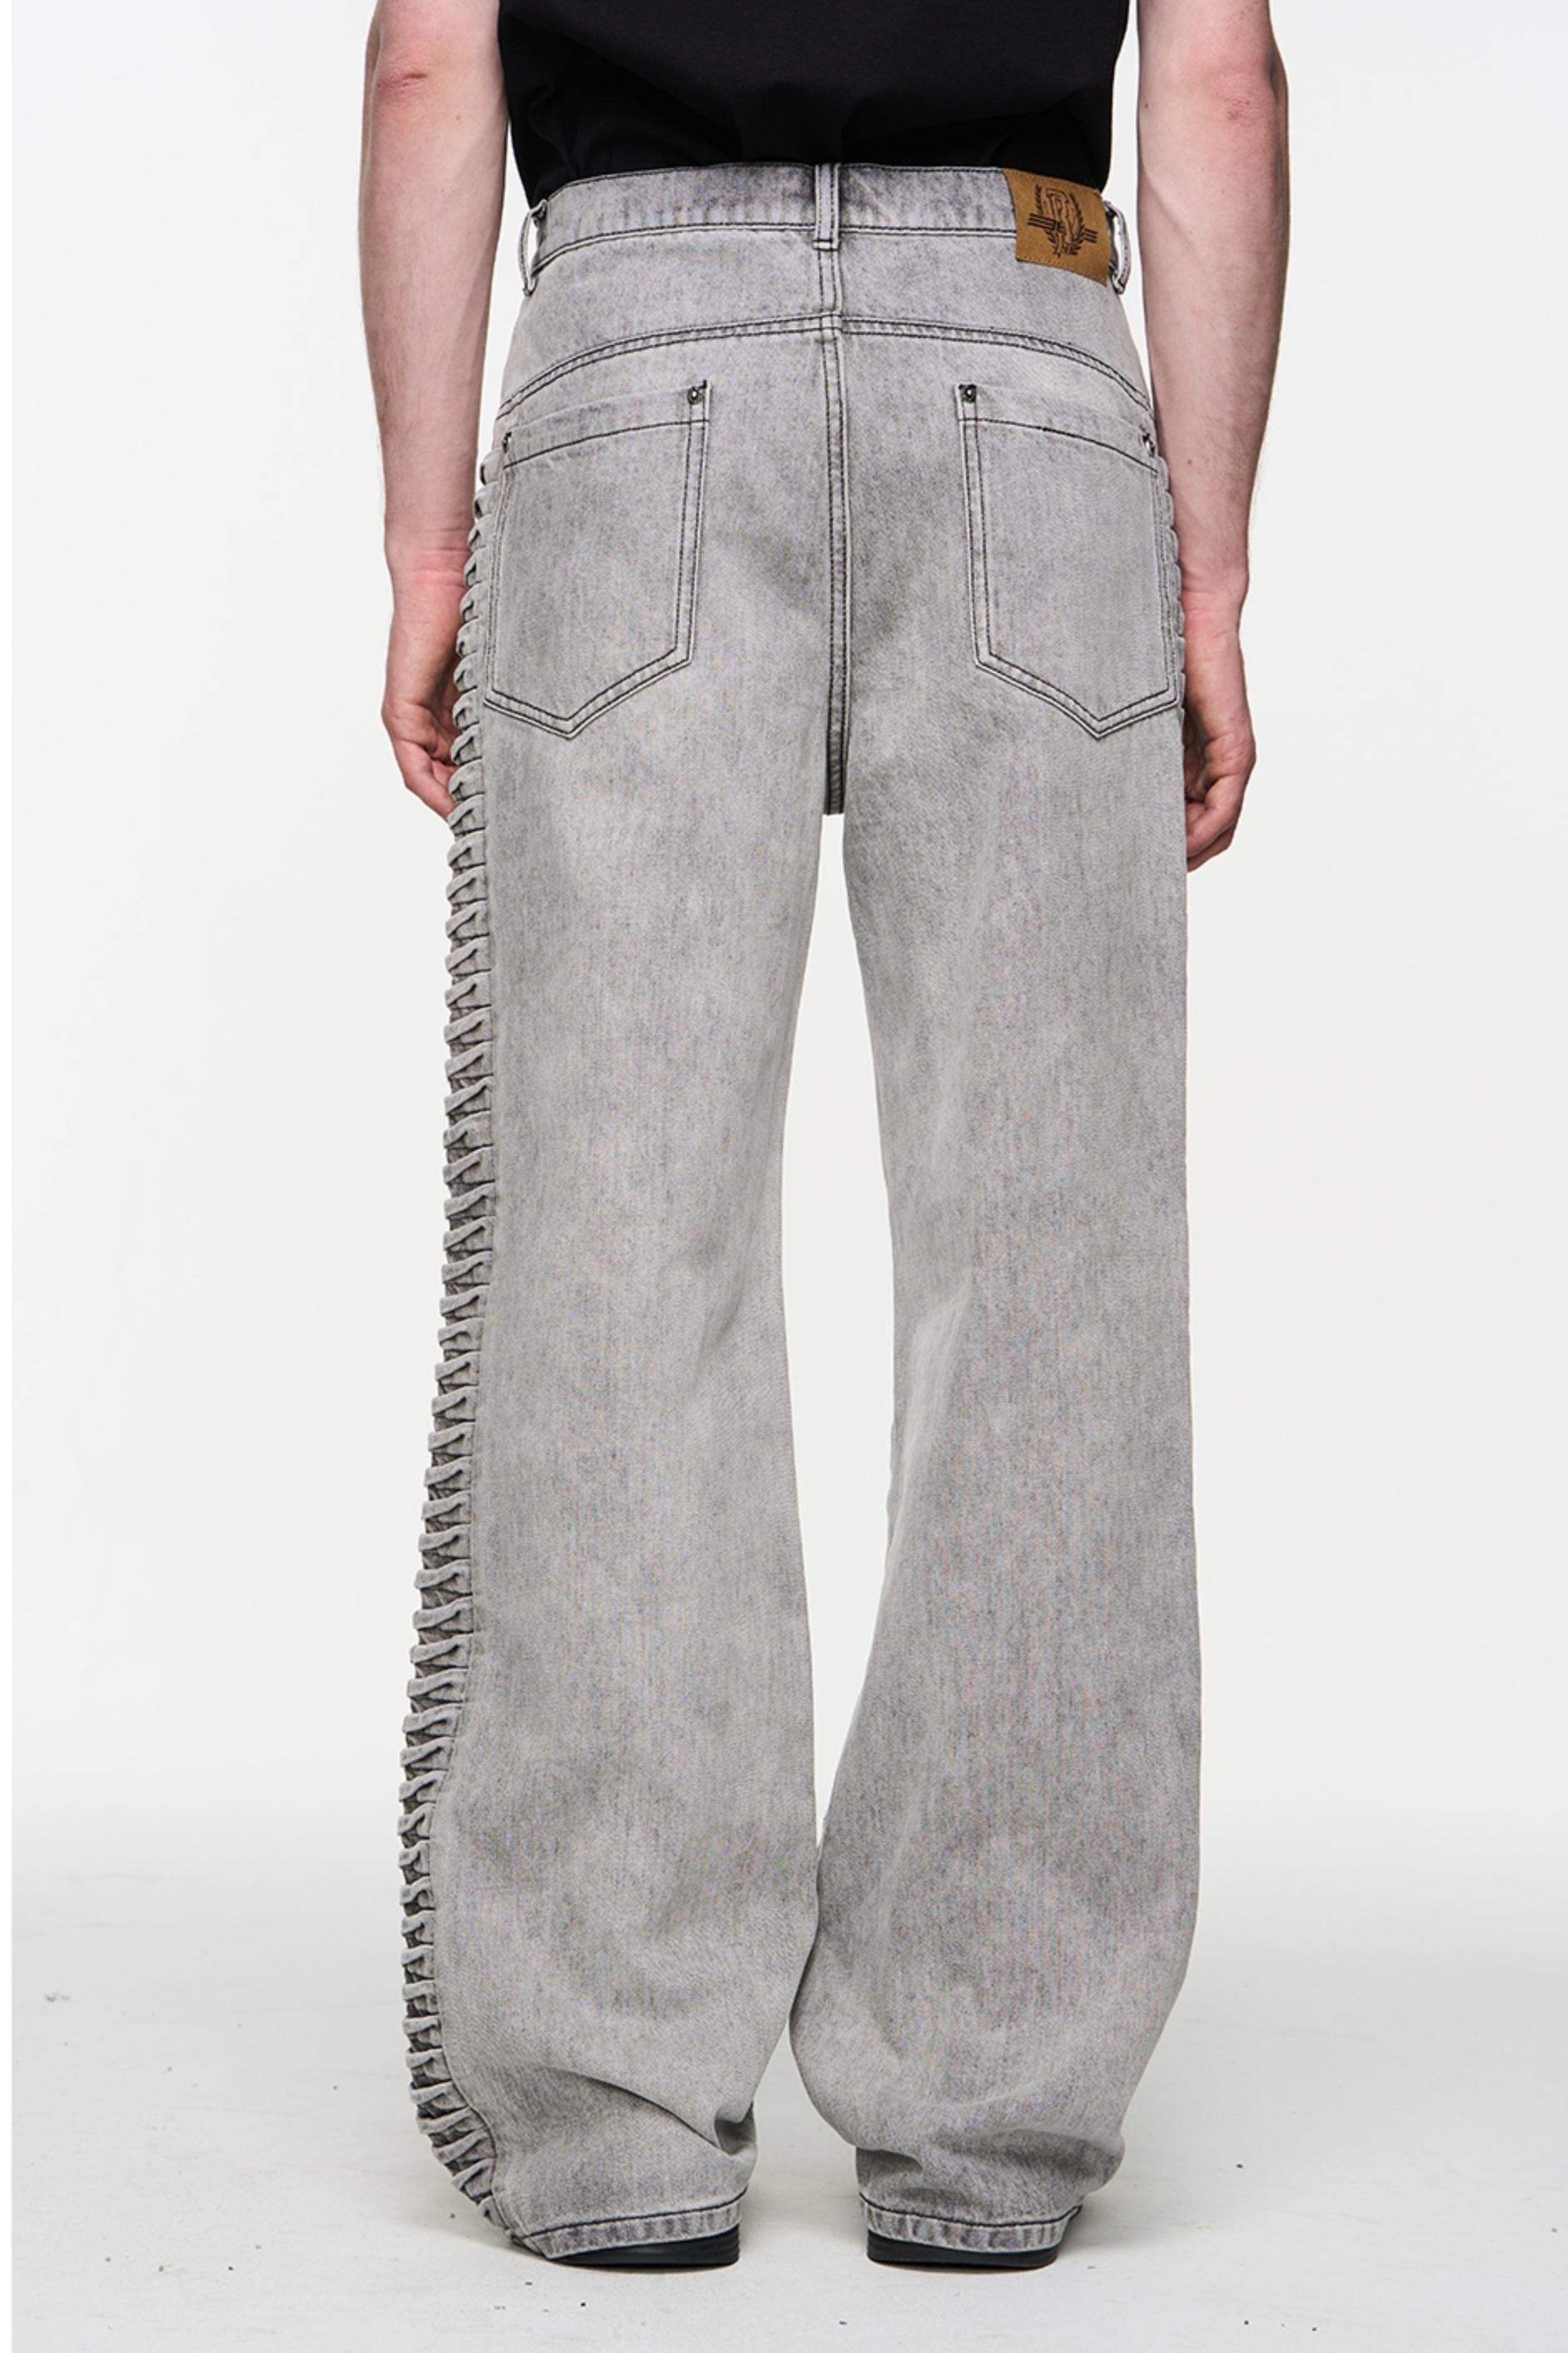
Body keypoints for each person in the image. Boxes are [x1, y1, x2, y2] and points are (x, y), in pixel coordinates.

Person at [360, 0, 1287, 2276]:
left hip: (634, 364)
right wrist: (1207, 573)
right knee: (1049, 1260)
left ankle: (612, 2106)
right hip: (1032, 343)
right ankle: (993, 2104)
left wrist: (422, 545)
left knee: (624, 1245)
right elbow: (1217, 80)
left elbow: (424, 67)